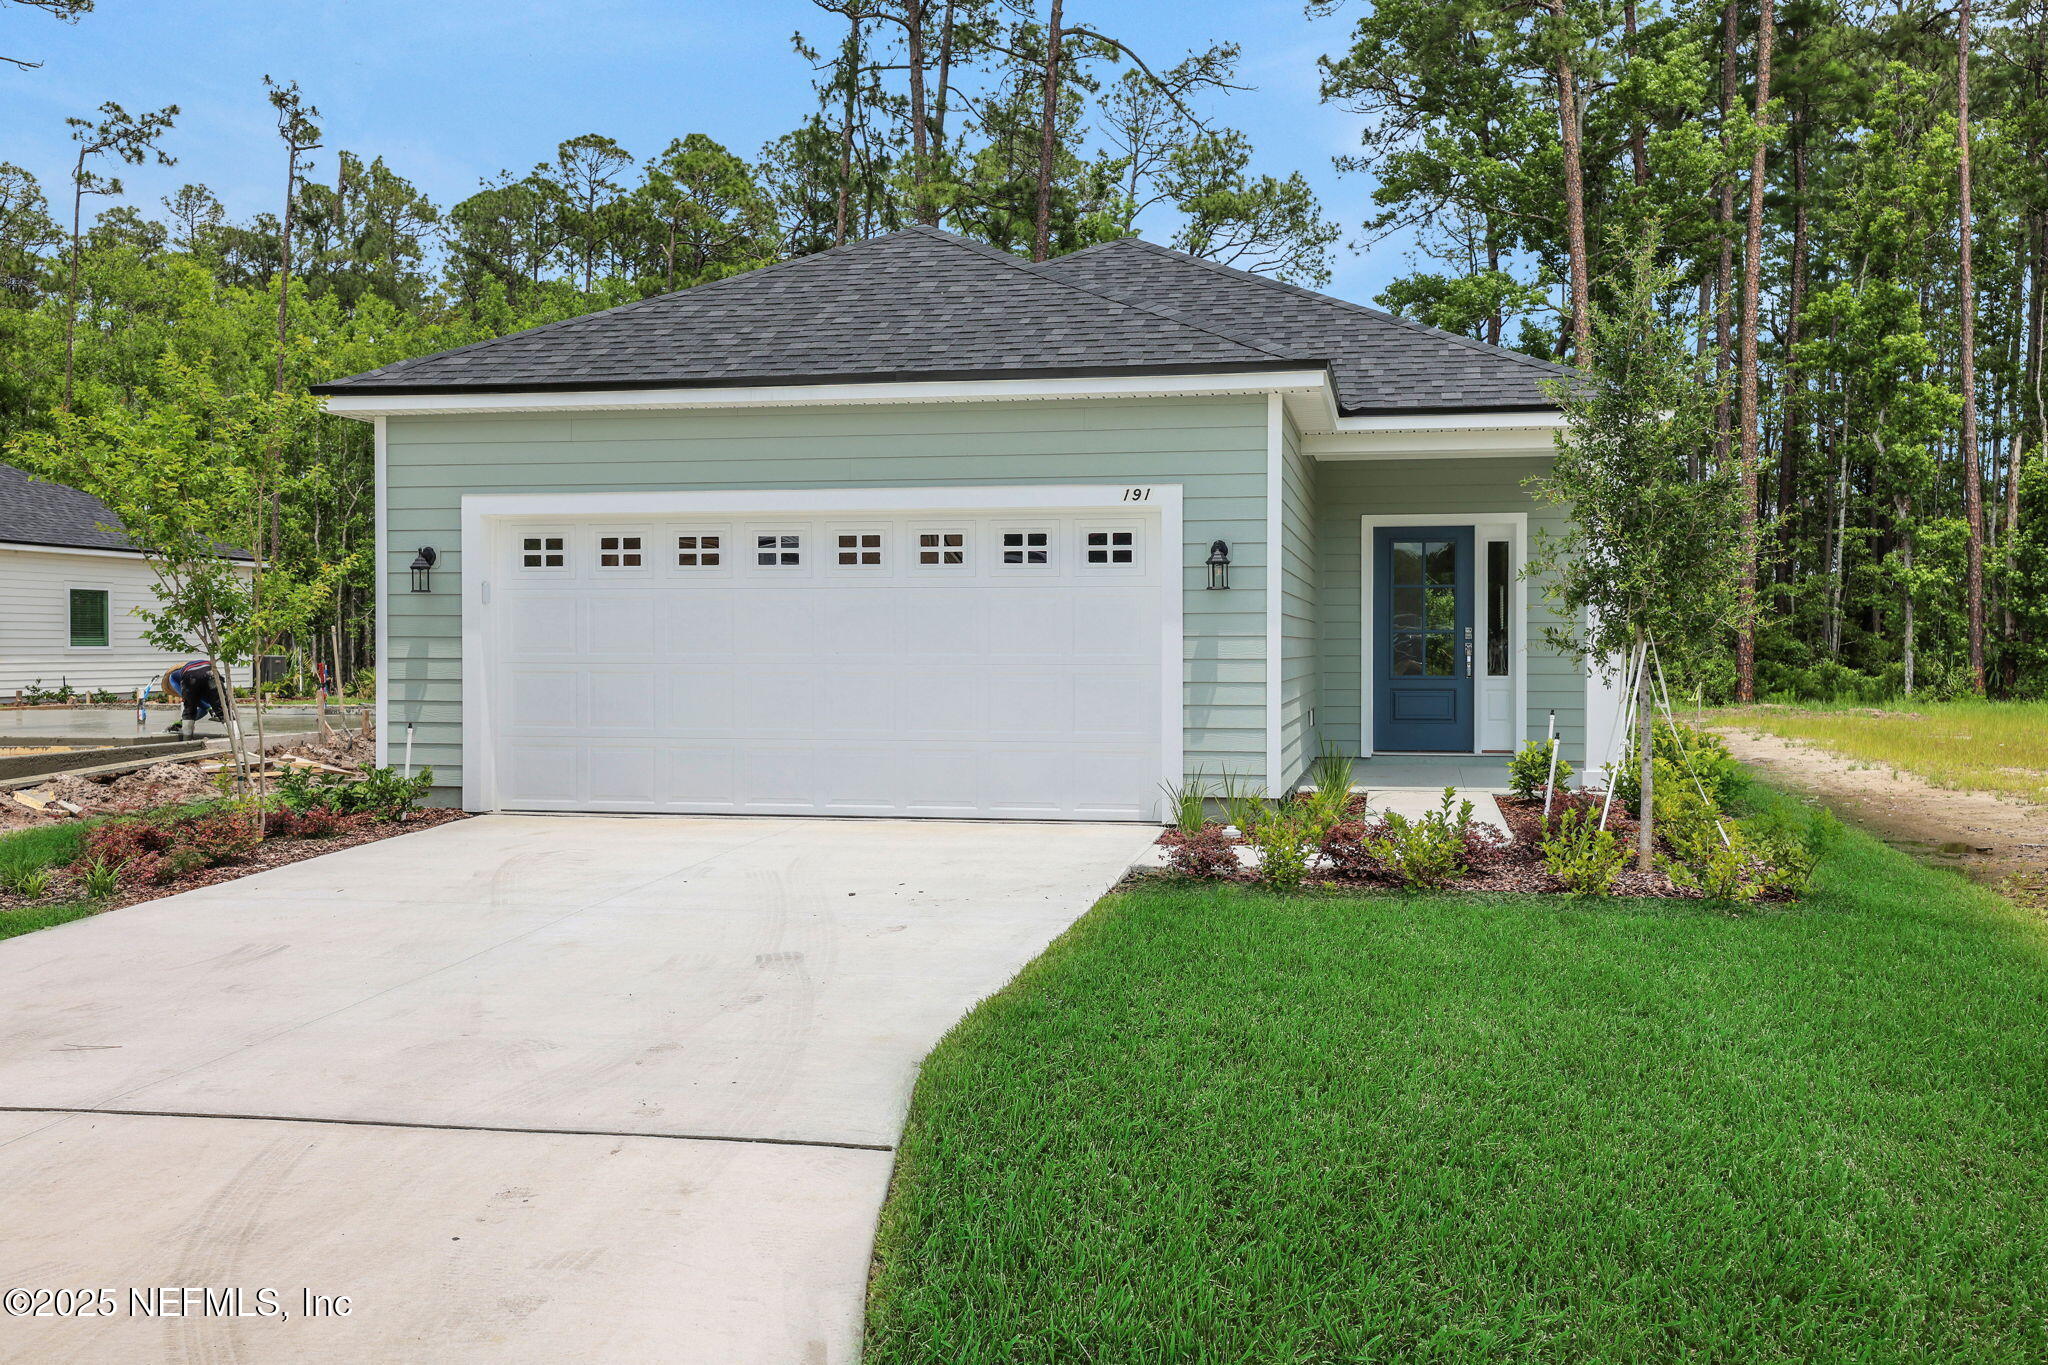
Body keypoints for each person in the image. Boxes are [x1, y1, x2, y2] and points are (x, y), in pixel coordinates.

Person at [162, 660, 226, 734]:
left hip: (199, 677)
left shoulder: (176, 677)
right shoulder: (177, 676)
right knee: (197, 706)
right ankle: (181, 725)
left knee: (200, 708)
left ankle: (182, 725)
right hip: (205, 673)